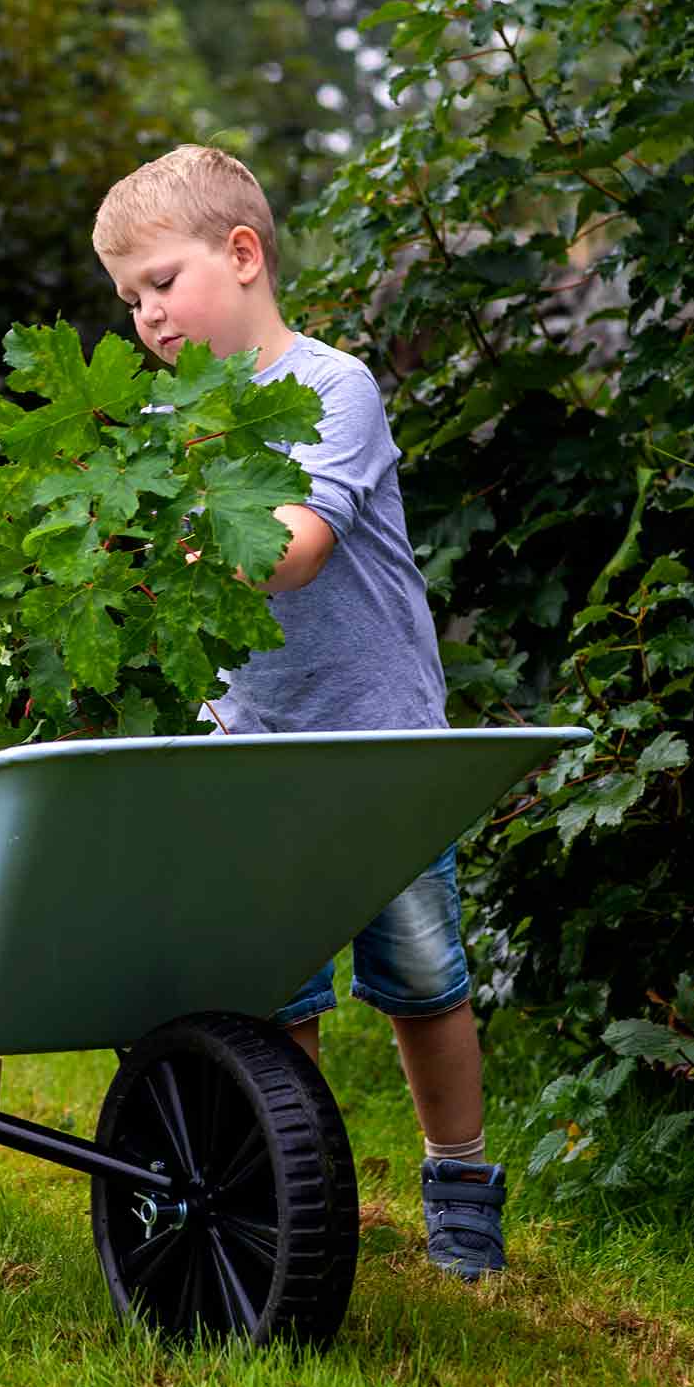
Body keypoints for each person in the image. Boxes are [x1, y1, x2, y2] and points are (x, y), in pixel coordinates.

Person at [91, 143, 506, 1281]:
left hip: (378, 749)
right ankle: (290, 1190)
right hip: (252, 750)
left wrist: (177, 551)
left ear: (242, 254)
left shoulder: (333, 388)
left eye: (163, 282)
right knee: (274, 990)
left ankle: (459, 1180)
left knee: (422, 977)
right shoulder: (172, 423)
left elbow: (297, 548)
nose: (149, 316)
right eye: (130, 299)